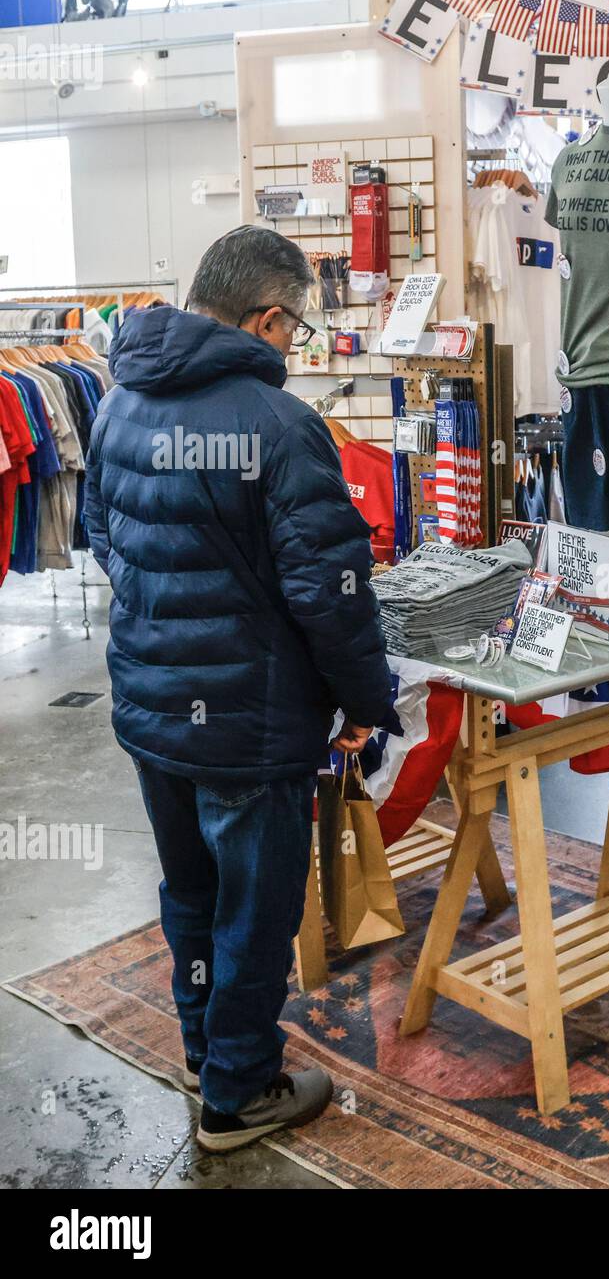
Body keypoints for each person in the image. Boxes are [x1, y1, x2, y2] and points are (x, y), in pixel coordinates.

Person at [83, 225, 392, 1154]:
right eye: (296, 329)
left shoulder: (120, 397)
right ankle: (239, 1092)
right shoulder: (279, 425)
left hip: (151, 704)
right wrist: (369, 702)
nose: (295, 347)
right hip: (250, 722)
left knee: (190, 890)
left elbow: (104, 536)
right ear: (267, 318)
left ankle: (200, 1046)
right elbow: (329, 595)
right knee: (255, 911)